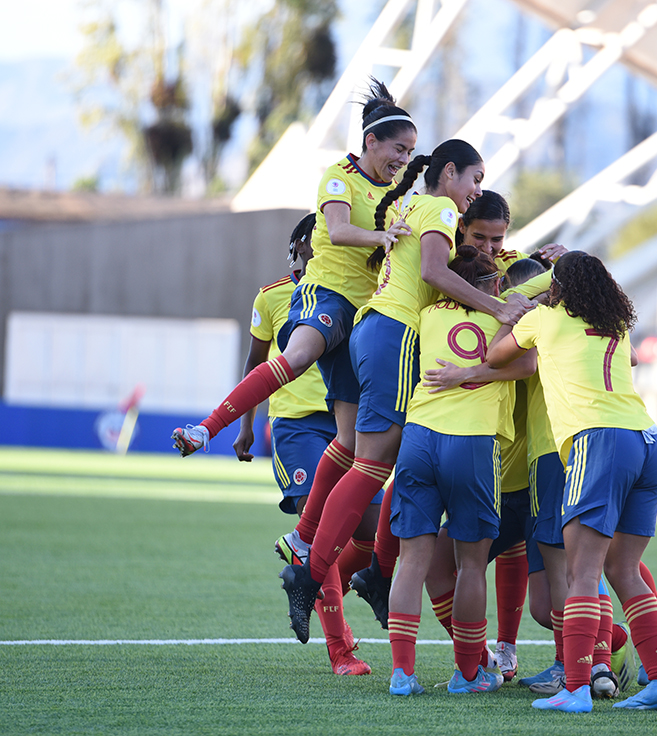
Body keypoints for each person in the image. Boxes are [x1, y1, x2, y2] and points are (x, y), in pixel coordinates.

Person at [170, 78, 415, 638]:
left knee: (354, 447)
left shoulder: (397, 195)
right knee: (296, 356)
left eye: (408, 152)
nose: (402, 160)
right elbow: (336, 228)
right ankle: (207, 428)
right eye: (396, 149)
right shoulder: (339, 175)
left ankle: (314, 547)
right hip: (330, 298)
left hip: (370, 319)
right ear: (371, 142)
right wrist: (382, 239)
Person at [279, 140, 543, 643]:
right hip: (395, 334)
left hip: (373, 329)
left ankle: (369, 571)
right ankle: (310, 573)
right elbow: (432, 271)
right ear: (450, 173)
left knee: (390, 457)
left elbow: (456, 265)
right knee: (373, 464)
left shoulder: (407, 203)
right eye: (475, 178)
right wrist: (499, 309)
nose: (476, 190)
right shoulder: (442, 207)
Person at [485, 250, 657, 713]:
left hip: (598, 443)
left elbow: (497, 356)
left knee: (581, 574)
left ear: (557, 288)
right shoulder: (617, 324)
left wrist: (518, 302)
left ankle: (575, 687)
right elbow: (628, 357)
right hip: (649, 441)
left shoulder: (545, 319)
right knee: (625, 571)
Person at [386, 245, 537, 696]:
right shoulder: (503, 319)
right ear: (492, 286)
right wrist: (473, 374)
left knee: (412, 561)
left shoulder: (427, 315)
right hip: (470, 442)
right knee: (471, 565)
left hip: (419, 435)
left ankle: (402, 674)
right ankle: (468, 674)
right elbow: (528, 364)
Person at [231, 213, 373, 676]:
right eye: (316, 242)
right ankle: (341, 651)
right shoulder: (272, 296)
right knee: (318, 535)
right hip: (296, 428)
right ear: (299, 246)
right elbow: (256, 361)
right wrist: (245, 425)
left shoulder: (360, 292)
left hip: (349, 423)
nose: (323, 249)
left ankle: (307, 580)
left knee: (370, 538)